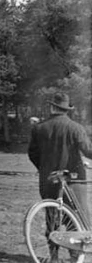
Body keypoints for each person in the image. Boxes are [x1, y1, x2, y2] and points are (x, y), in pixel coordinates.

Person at [28, 92, 92, 223]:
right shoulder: (76, 128)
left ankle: (53, 242)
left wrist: (44, 167)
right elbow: (88, 151)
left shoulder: (39, 128)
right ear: (67, 110)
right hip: (74, 180)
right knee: (79, 220)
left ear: (52, 107)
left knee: (52, 218)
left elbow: (32, 153)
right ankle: (77, 242)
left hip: (48, 178)